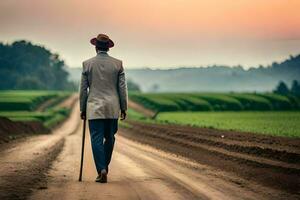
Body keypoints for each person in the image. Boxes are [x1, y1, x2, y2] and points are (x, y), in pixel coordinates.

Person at [79, 33, 128, 183]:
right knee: (110, 138)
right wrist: (123, 108)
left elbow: (83, 89)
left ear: (95, 47)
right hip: (112, 108)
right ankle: (104, 167)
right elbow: (122, 88)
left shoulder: (87, 64)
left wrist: (83, 109)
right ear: (108, 48)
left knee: (96, 139)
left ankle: (102, 169)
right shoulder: (117, 64)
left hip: (94, 109)